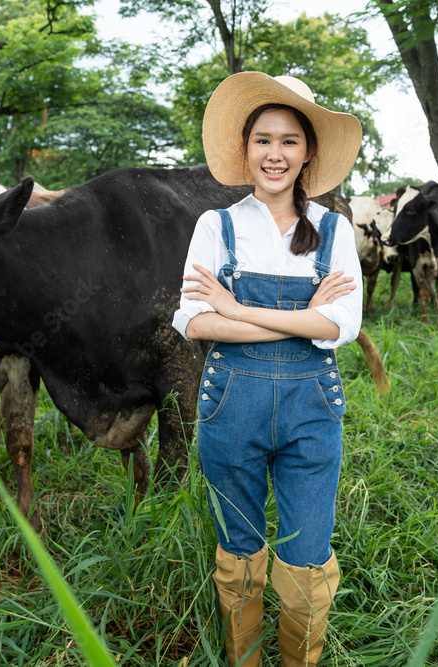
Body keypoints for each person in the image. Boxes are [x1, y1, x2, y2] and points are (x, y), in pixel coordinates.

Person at [171, 71, 364, 666]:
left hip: (313, 410)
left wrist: (237, 307)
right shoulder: (217, 226)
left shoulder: (334, 231)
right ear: (245, 149)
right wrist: (301, 315)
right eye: (263, 140)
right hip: (232, 407)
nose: (274, 154)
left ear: (307, 153)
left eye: (288, 141)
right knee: (239, 552)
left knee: (308, 556)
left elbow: (343, 326)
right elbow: (194, 322)